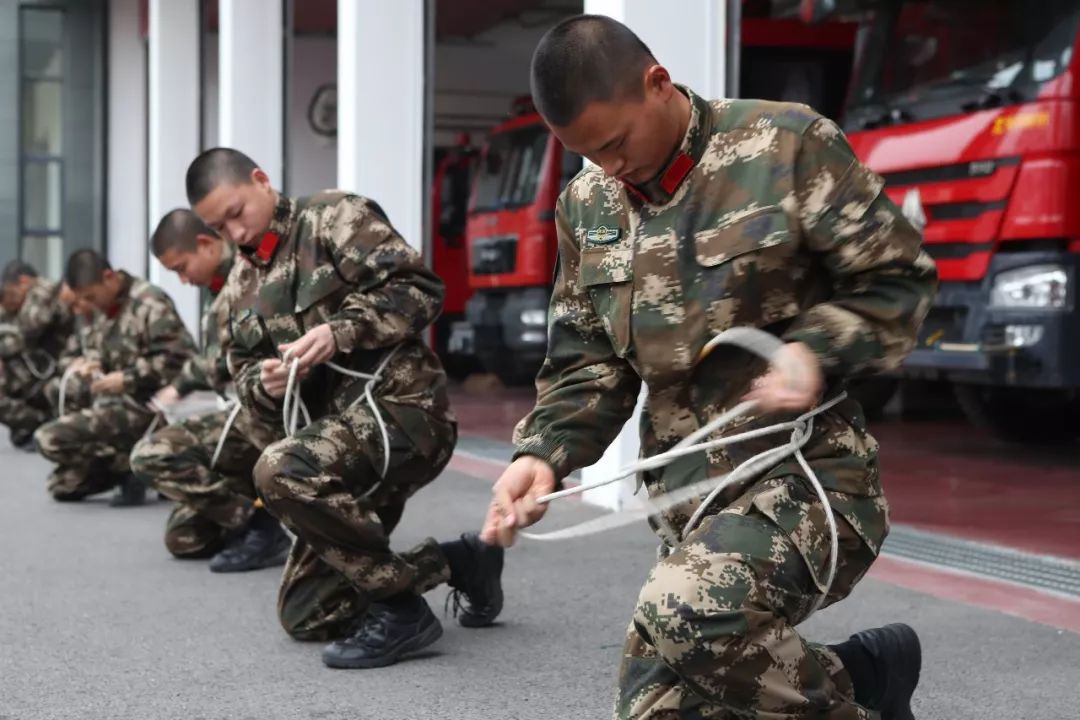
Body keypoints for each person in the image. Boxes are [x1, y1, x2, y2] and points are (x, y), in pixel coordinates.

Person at [480, 15, 938, 720]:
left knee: (687, 612)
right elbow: (586, 357)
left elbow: (898, 278)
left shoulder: (786, 145)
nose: (611, 170)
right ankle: (864, 676)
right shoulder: (589, 204)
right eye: (587, 155)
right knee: (658, 710)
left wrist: (817, 348)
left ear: (657, 84)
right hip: (694, 504)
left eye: (615, 144)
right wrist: (543, 455)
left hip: (810, 478)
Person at [185, 148, 504, 668]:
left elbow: (420, 289)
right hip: (330, 441)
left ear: (262, 181)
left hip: (403, 411)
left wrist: (341, 331)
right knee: (307, 615)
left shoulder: (334, 218)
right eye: (220, 228)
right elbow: (237, 373)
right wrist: (264, 384)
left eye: (237, 213)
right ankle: (458, 561)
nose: (235, 235)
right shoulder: (240, 285)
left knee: (278, 469)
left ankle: (403, 612)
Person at [130, 209, 290, 570]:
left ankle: (262, 527)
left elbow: (223, 361)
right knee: (185, 539)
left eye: (182, 268)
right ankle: (253, 502)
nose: (184, 280)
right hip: (245, 410)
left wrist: (181, 384)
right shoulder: (218, 285)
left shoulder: (250, 274)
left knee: (151, 454)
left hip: (271, 416)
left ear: (205, 245)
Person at [34, 250, 195, 506]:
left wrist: (128, 378)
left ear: (108, 277)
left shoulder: (149, 302)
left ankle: (137, 462)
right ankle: (126, 465)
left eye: (90, 296)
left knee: (48, 438)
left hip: (147, 407)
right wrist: (89, 363)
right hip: (110, 404)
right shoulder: (102, 308)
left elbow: (181, 360)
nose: (88, 304)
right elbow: (85, 349)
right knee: (61, 486)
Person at [0, 260, 74, 448]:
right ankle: (34, 423)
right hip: (37, 370)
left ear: (24, 281)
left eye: (11, 293)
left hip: (57, 368)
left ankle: (43, 422)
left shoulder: (43, 291)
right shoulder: (22, 301)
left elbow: (26, 332)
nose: (10, 301)